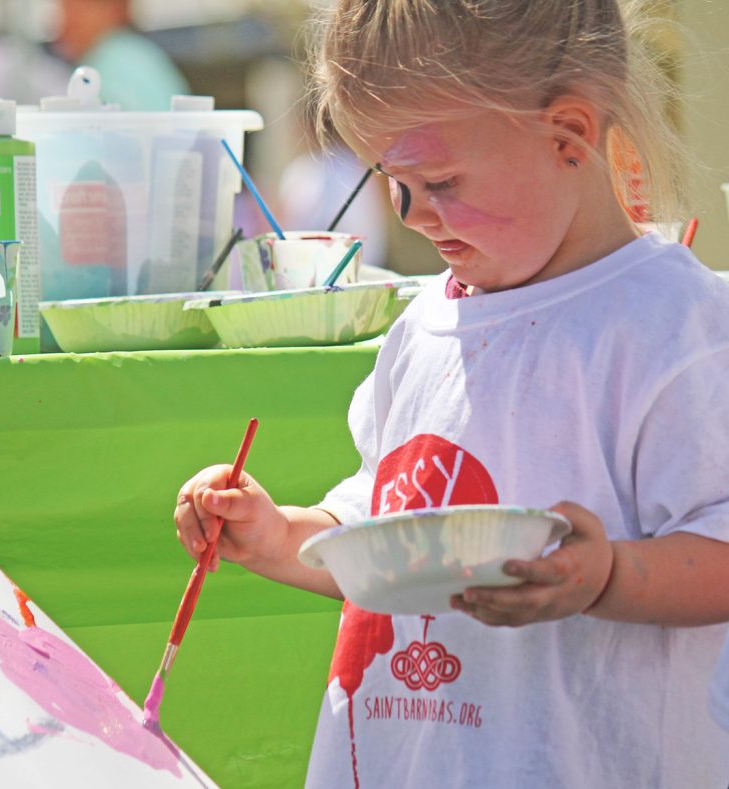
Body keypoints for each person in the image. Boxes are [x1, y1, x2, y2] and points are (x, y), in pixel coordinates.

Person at [173, 1, 729, 786]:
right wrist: (278, 534)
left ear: (567, 136)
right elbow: (388, 537)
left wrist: (606, 575)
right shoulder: (426, 323)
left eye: (437, 181)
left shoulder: (674, 327)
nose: (411, 214)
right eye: (391, 182)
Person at [53, 0, 189, 111]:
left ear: (114, 10)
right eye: (64, 10)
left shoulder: (109, 61)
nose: (65, 23)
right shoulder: (136, 51)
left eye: (77, 10)